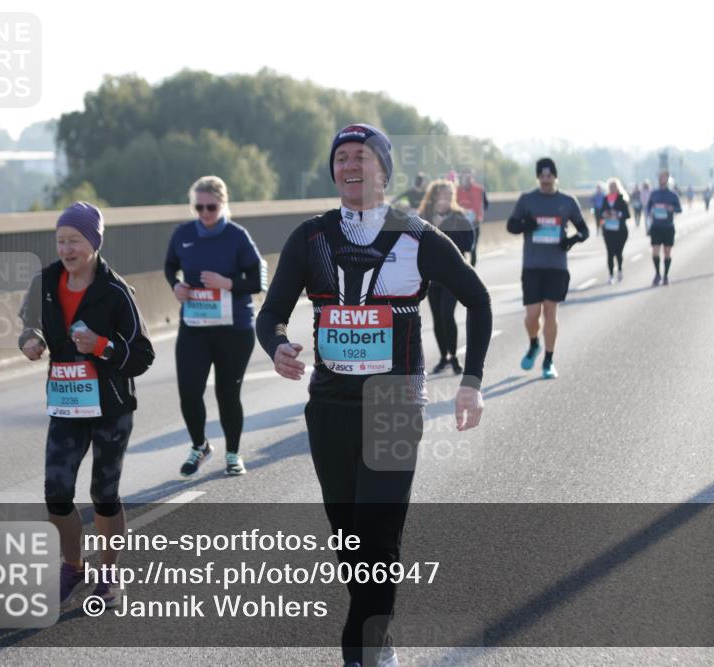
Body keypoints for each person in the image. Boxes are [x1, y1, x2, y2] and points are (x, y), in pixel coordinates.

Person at [255, 123, 492, 667]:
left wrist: (472, 383)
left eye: (361, 156)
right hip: (329, 405)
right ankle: (376, 632)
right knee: (348, 539)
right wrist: (277, 345)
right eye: (341, 157)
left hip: (394, 403)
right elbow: (271, 314)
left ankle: (362, 649)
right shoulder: (311, 237)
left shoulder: (419, 237)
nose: (349, 165)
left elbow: (477, 300)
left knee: (378, 535)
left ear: (384, 169)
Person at [18, 202, 155, 609]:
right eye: (60, 241)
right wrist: (31, 340)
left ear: (94, 243)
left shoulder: (115, 291)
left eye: (74, 240)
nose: (66, 249)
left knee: (104, 494)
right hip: (66, 406)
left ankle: (109, 575)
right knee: (56, 493)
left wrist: (102, 346)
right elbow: (29, 322)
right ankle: (74, 567)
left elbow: (143, 355)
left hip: (111, 406)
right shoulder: (44, 281)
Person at [164, 176, 266, 478]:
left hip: (233, 328)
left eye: (211, 207)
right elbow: (170, 265)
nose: (205, 213)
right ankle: (200, 446)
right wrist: (176, 285)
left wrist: (227, 283)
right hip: (195, 325)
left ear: (223, 204)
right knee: (189, 392)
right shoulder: (183, 234)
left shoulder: (237, 236)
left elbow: (257, 282)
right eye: (199, 207)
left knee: (227, 393)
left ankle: (233, 454)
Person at [506, 158, 589, 379]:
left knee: (551, 311)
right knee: (532, 315)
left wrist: (571, 240)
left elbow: (584, 230)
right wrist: (525, 225)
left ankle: (548, 361)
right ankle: (534, 344)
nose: (545, 180)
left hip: (556, 266)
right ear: (538, 177)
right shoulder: (527, 200)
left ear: (555, 177)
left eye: (549, 176)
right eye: (541, 176)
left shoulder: (567, 201)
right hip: (532, 266)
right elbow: (511, 225)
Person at [419, 179, 476, 374]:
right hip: (431, 276)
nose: (449, 197)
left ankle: (454, 357)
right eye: (445, 194)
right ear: (435, 195)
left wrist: (444, 232)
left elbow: (469, 243)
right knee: (436, 317)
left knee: (446, 313)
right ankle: (443, 357)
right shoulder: (424, 216)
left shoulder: (459, 217)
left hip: (453, 274)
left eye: (451, 194)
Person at [646, 169, 683, 286]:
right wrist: (650, 212)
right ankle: (657, 274)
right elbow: (648, 207)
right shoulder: (654, 193)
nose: (661, 179)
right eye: (659, 177)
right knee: (655, 252)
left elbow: (679, 209)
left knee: (667, 252)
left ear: (667, 178)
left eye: (663, 177)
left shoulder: (673, 195)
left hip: (668, 227)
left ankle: (666, 276)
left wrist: (672, 208)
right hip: (656, 226)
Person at [599, 177, 631, 283]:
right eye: (611, 187)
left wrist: (617, 214)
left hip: (620, 231)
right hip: (608, 230)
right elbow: (600, 213)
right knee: (610, 252)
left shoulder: (622, 199)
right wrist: (605, 214)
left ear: (618, 187)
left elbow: (627, 215)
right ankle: (611, 275)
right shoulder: (605, 199)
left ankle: (620, 269)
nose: (612, 188)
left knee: (618, 252)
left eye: (614, 186)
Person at [456, 168, 486, 266]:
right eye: (465, 176)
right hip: (460, 223)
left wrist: (480, 214)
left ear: (473, 177)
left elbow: (485, 204)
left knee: (473, 247)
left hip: (475, 222)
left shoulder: (480, 189)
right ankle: (463, 267)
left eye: (469, 176)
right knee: (460, 248)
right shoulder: (457, 190)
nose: (467, 178)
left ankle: (472, 269)